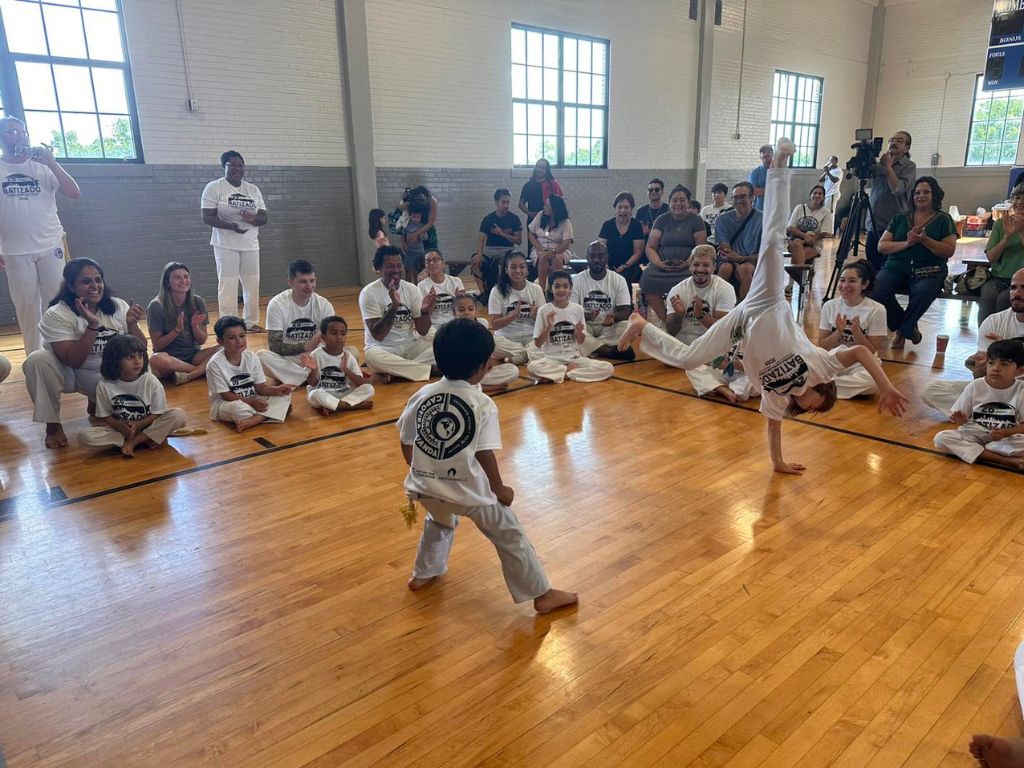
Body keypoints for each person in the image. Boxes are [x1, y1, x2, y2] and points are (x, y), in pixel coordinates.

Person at [617, 139, 909, 474]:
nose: (813, 408)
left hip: (742, 323)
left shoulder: (777, 396)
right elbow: (858, 351)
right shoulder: (822, 369)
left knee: (688, 357)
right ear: (824, 391)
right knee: (773, 240)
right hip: (767, 301)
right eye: (820, 405)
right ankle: (780, 166)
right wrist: (887, 386)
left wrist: (779, 462)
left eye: (814, 411)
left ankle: (641, 325)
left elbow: (773, 428)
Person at [398, 317, 578, 614]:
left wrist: (416, 468)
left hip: (424, 486)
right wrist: (499, 488)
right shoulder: (481, 403)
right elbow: (484, 453)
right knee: (509, 533)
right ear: (483, 366)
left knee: (440, 521)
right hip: (468, 491)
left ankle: (423, 573)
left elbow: (405, 437)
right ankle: (541, 594)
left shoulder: (421, 395)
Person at [23, 258, 146, 449]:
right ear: (71, 286)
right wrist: (92, 326)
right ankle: (53, 425)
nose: (95, 286)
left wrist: (131, 324)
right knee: (37, 360)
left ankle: (96, 401)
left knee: (146, 368)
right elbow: (74, 360)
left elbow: (141, 349)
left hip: (108, 372)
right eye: (86, 281)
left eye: (98, 280)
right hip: (71, 372)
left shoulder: (117, 306)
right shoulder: (57, 314)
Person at [0, 115, 81, 354]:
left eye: (21, 130)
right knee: (26, 305)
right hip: (15, 250)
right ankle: (34, 356)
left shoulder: (43, 166)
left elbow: (74, 193)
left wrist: (52, 163)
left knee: (56, 301)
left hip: (50, 244)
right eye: (10, 132)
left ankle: (59, 352)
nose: (18, 135)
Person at [923, 269, 1024, 414]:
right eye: (1013, 287)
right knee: (932, 390)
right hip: (997, 388)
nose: (1017, 293)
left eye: (1023, 288)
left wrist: (1009, 349)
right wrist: (978, 368)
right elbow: (982, 377)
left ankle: (988, 416)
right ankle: (996, 417)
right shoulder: (994, 321)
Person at [873, 176, 958, 348]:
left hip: (929, 270)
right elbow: (882, 246)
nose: (921, 196)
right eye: (917, 192)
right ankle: (908, 327)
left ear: (934, 195)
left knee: (923, 291)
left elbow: (949, 250)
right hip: (896, 267)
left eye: (926, 192)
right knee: (878, 287)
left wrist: (925, 240)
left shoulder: (943, 219)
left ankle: (902, 333)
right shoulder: (900, 218)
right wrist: (907, 243)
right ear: (912, 196)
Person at [663, 245, 751, 402]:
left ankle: (719, 387)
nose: (700, 269)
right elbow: (671, 330)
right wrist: (678, 315)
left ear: (714, 267)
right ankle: (724, 389)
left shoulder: (725, 289)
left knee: (750, 374)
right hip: (687, 345)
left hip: (713, 345)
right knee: (691, 366)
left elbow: (723, 331)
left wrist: (701, 316)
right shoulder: (677, 290)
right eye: (696, 264)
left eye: (705, 265)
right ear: (690, 265)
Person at [78, 334, 186, 457]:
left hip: (149, 424)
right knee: (84, 436)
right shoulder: (104, 385)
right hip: (122, 430)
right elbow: (105, 416)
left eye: (140, 356)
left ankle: (135, 441)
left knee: (178, 415)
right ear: (115, 360)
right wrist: (121, 426)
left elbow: (157, 414)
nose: (137, 361)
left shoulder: (150, 380)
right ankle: (148, 437)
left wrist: (139, 425)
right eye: (130, 357)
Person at [201, 150, 268, 331]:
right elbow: (207, 217)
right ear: (224, 167)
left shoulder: (253, 190)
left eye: (240, 165)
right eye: (232, 165)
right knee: (228, 286)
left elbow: (263, 217)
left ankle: (251, 322)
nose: (237, 169)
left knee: (252, 286)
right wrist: (231, 226)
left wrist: (251, 219)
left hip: (250, 245)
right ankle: (229, 324)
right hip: (225, 245)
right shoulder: (214, 187)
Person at [933, 339, 1024, 469]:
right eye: (991, 363)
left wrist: (1006, 433)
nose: (996, 368)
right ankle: (1005, 460)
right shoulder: (976, 385)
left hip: (1005, 438)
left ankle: (980, 451)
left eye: (1004, 364)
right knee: (942, 438)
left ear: (1019, 371)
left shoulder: (1021, 389)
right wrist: (960, 420)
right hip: (975, 433)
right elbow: (962, 419)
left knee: (1008, 443)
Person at [359, 245, 436, 383]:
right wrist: (394, 307)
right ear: (379, 269)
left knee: (439, 347)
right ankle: (430, 370)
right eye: (390, 266)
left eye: (399, 265)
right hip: (383, 348)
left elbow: (422, 331)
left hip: (410, 346)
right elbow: (379, 335)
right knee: (372, 357)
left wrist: (425, 311)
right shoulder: (368, 293)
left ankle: (396, 374)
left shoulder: (411, 289)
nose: (396, 270)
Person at [206, 316, 293, 433]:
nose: (239, 341)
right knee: (239, 410)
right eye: (232, 338)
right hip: (226, 404)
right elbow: (226, 395)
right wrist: (253, 403)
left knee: (284, 396)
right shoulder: (215, 364)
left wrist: (277, 390)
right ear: (220, 341)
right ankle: (271, 414)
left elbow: (261, 388)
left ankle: (254, 420)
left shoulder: (252, 356)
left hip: (253, 399)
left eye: (242, 336)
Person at [257, 259, 336, 386]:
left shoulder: (324, 305)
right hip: (289, 357)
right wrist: (305, 346)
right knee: (261, 357)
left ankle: (289, 377)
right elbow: (275, 346)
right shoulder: (277, 304)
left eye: (312, 281)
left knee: (351, 353)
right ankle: (311, 377)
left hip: (315, 356)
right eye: (303, 281)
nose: (309, 286)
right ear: (290, 282)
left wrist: (319, 346)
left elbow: (332, 342)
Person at [817, 260, 888, 399]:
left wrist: (857, 333)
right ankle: (823, 385)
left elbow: (871, 350)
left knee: (872, 384)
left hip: (862, 363)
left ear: (864, 284)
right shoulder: (829, 306)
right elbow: (823, 346)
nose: (845, 285)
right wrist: (838, 332)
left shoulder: (877, 309)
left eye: (852, 281)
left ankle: (818, 386)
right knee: (808, 366)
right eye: (842, 280)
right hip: (835, 359)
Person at [528, 271, 614, 384]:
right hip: (552, 359)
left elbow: (581, 341)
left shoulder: (578, 309)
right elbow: (538, 344)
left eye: (565, 286)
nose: (561, 290)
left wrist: (578, 332)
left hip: (574, 358)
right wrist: (548, 326)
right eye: (557, 286)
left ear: (570, 288)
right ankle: (568, 372)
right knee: (532, 368)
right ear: (551, 288)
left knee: (608, 368)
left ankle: (561, 374)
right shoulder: (543, 310)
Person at [640, 184, 707, 321]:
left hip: (688, 266)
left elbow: (701, 248)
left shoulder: (696, 220)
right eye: (675, 200)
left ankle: (685, 318)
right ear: (669, 202)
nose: (678, 203)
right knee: (646, 279)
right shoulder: (662, 219)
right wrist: (659, 263)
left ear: (688, 202)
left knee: (697, 279)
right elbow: (650, 247)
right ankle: (665, 319)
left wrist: (688, 263)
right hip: (663, 265)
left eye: (682, 200)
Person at [147, 262, 217, 386]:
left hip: (193, 355)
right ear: (167, 282)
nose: (183, 281)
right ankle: (201, 371)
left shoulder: (198, 301)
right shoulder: (156, 306)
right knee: (155, 359)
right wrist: (177, 330)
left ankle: (190, 375)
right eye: (177, 277)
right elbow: (157, 346)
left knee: (225, 348)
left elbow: (202, 341)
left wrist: (194, 326)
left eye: (186, 276)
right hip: (169, 359)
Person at [571, 240, 633, 360]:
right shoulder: (577, 279)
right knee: (572, 329)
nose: (596, 260)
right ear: (587, 258)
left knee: (629, 328)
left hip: (609, 328)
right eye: (592, 256)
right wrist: (587, 316)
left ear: (607, 257)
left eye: (600, 256)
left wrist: (614, 317)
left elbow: (625, 311)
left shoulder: (618, 279)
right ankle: (608, 351)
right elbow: (572, 312)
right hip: (586, 325)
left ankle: (590, 347)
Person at [302, 315, 375, 415]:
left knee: (369, 389)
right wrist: (314, 370)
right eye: (334, 333)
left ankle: (335, 406)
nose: (339, 337)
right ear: (323, 338)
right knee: (314, 394)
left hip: (343, 393)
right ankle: (350, 406)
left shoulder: (348, 356)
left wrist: (346, 370)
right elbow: (312, 383)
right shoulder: (316, 355)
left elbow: (360, 383)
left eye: (343, 333)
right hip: (322, 392)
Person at [866, 131, 917, 271]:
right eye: (891, 139)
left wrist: (887, 167)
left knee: (889, 267)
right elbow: (861, 176)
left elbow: (897, 189)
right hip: (874, 222)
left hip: (893, 225)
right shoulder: (879, 165)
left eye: (899, 140)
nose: (893, 142)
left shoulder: (909, 166)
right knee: (872, 265)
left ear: (906, 148)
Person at [453, 294, 520, 393]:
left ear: (476, 311)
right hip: (461, 372)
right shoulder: (451, 330)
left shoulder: (482, 324)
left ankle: (475, 386)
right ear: (454, 313)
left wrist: (484, 365)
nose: (466, 313)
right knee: (457, 378)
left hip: (479, 372)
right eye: (461, 310)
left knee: (513, 370)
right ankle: (484, 387)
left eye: (470, 309)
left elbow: (488, 360)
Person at [488, 250, 545, 364]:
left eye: (522, 267)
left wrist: (535, 317)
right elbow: (494, 325)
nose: (518, 271)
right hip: (507, 339)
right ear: (506, 270)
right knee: (490, 343)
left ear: (527, 270)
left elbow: (544, 322)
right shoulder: (497, 291)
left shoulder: (536, 289)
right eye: (513, 267)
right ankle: (527, 354)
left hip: (531, 337)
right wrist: (513, 315)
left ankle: (521, 357)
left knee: (548, 340)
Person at [980, 183, 1024, 323]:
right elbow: (991, 257)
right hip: (998, 278)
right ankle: (984, 339)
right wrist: (1007, 236)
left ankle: (1004, 341)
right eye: (1016, 197)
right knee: (987, 296)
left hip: (1020, 281)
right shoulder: (1000, 223)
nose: (1020, 202)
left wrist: (1021, 231)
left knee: (1005, 300)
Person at [715, 182, 763, 300]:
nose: (739, 200)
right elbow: (726, 250)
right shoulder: (722, 220)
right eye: (735, 197)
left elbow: (766, 253)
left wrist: (742, 259)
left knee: (745, 269)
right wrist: (736, 263)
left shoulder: (764, 219)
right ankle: (715, 304)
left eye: (743, 196)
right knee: (726, 268)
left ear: (752, 198)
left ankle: (742, 310)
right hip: (729, 259)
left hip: (753, 260)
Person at [785, 184, 834, 295]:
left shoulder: (826, 212)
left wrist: (808, 240)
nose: (817, 195)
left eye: (820, 194)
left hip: (814, 244)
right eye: (815, 193)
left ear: (823, 197)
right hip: (795, 241)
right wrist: (804, 237)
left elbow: (825, 232)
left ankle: (790, 284)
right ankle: (803, 279)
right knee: (797, 246)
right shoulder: (800, 208)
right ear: (810, 195)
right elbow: (790, 227)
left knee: (797, 251)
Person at [472, 188, 521, 297]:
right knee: (475, 261)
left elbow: (518, 240)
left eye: (508, 202)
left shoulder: (514, 219)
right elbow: (481, 239)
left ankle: (508, 291)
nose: (506, 205)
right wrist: (479, 254)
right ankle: (483, 293)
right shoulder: (488, 219)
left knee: (509, 263)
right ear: (496, 203)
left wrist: (503, 233)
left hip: (507, 250)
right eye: (503, 202)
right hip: (490, 250)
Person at [598, 191, 645, 292]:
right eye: (619, 207)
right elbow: (600, 249)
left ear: (631, 210)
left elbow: (638, 252)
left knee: (623, 278)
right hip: (608, 265)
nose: (622, 210)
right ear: (615, 209)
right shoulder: (607, 225)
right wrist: (605, 265)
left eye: (626, 207)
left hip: (629, 265)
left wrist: (624, 266)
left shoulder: (636, 225)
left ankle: (626, 306)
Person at [527, 194, 574, 292]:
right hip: (540, 248)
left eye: (547, 206)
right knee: (543, 256)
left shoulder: (565, 221)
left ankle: (557, 290)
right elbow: (531, 234)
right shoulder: (540, 215)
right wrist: (540, 249)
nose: (544, 207)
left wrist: (554, 251)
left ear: (555, 209)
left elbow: (566, 243)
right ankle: (542, 291)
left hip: (560, 250)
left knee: (557, 258)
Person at [418, 249, 465, 337]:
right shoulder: (422, 286)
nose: (432, 263)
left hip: (454, 322)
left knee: (483, 322)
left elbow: (462, 310)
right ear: (425, 265)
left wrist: (459, 300)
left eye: (436, 259)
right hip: (434, 325)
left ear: (443, 263)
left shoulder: (456, 281)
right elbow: (423, 317)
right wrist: (431, 304)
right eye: (428, 261)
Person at [518, 158, 562, 224]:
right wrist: (529, 213)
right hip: (533, 220)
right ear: (535, 168)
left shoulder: (553, 184)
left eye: (543, 168)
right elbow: (521, 204)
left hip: (549, 221)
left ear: (547, 171)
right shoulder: (528, 185)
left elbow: (560, 202)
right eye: (538, 167)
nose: (540, 169)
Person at [635, 178, 669, 248]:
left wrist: (652, 233)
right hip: (644, 250)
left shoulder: (668, 210)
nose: (653, 192)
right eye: (650, 190)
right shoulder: (640, 211)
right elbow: (636, 234)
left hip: (663, 249)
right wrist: (643, 232)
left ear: (662, 191)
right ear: (647, 192)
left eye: (657, 189)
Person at [401, 204, 429, 285]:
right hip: (409, 251)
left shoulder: (422, 226)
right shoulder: (407, 226)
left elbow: (426, 238)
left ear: (420, 216)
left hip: (419, 251)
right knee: (408, 269)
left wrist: (420, 236)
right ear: (410, 216)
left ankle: (417, 287)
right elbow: (402, 236)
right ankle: (407, 286)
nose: (416, 219)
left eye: (418, 217)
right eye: (414, 217)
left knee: (417, 271)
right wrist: (404, 245)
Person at [819, 155, 843, 225]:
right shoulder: (830, 170)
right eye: (829, 160)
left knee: (829, 213)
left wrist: (828, 173)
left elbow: (835, 180)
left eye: (832, 161)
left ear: (836, 161)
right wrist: (826, 171)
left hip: (832, 194)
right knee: (825, 212)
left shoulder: (838, 170)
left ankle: (830, 231)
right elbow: (820, 180)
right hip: (827, 194)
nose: (830, 162)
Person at [749, 143, 773, 211]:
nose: (766, 154)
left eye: (768, 152)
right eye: (763, 152)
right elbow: (754, 191)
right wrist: (773, 190)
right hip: (759, 208)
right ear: (760, 156)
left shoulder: (778, 172)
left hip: (775, 207)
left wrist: (762, 190)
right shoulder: (755, 172)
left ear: (772, 154)